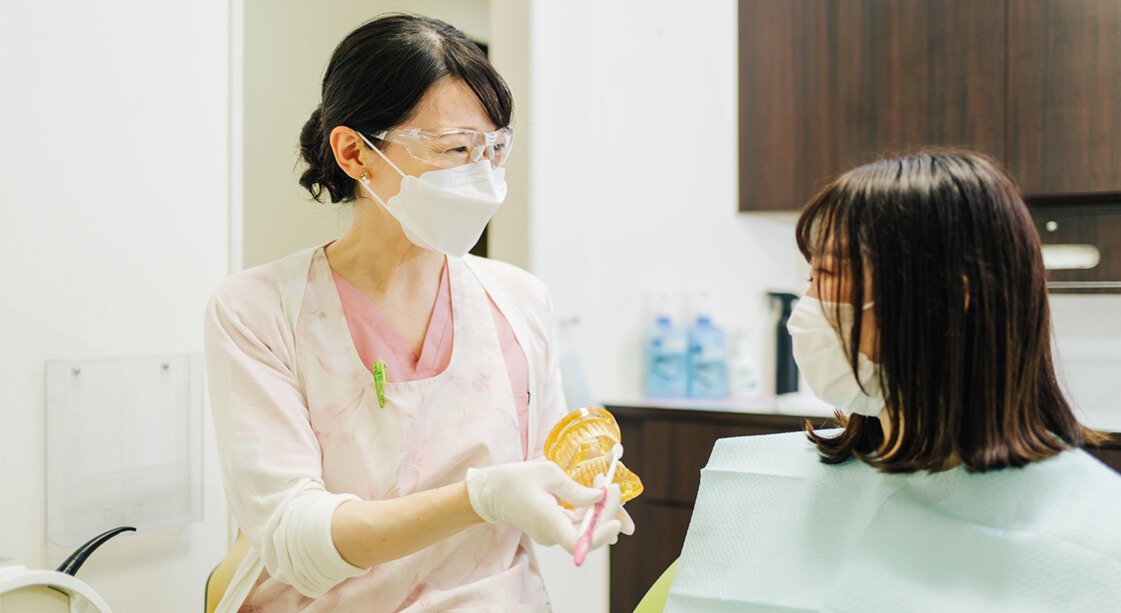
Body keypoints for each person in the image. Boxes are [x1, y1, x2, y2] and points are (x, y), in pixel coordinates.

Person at [204, 14, 630, 612]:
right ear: (355, 152)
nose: (482, 176)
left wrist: (581, 496)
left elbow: (549, 477)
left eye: (494, 149)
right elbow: (293, 540)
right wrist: (478, 497)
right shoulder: (258, 311)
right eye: (456, 149)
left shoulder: (520, 301)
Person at [660, 150, 1121, 611]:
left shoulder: (1095, 534)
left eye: (832, 276)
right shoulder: (777, 483)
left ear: (949, 297)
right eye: (810, 277)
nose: (808, 307)